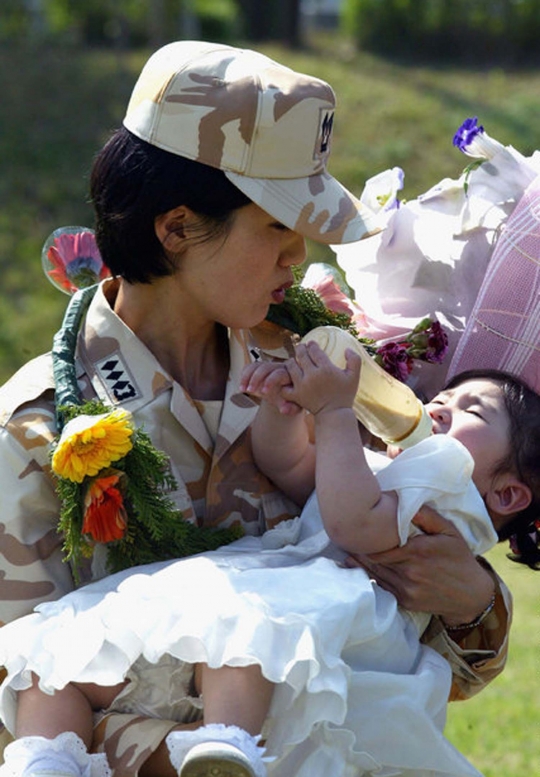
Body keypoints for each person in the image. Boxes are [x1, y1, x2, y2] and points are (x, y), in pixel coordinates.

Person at [0, 39, 511, 776]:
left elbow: (406, 655)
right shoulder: (40, 431)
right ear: (175, 228)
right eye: (276, 224)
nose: (297, 256)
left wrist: (472, 601)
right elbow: (23, 707)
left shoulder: (319, 367)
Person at [0, 354, 539, 777]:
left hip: (332, 611)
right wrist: (280, 411)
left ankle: (226, 744)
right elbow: (291, 467)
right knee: (62, 652)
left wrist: (333, 417)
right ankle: (47, 761)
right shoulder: (392, 461)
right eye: (442, 394)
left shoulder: (449, 480)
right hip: (287, 584)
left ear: (509, 494)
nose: (440, 405)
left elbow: (357, 525)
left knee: (250, 628)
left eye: (472, 410)